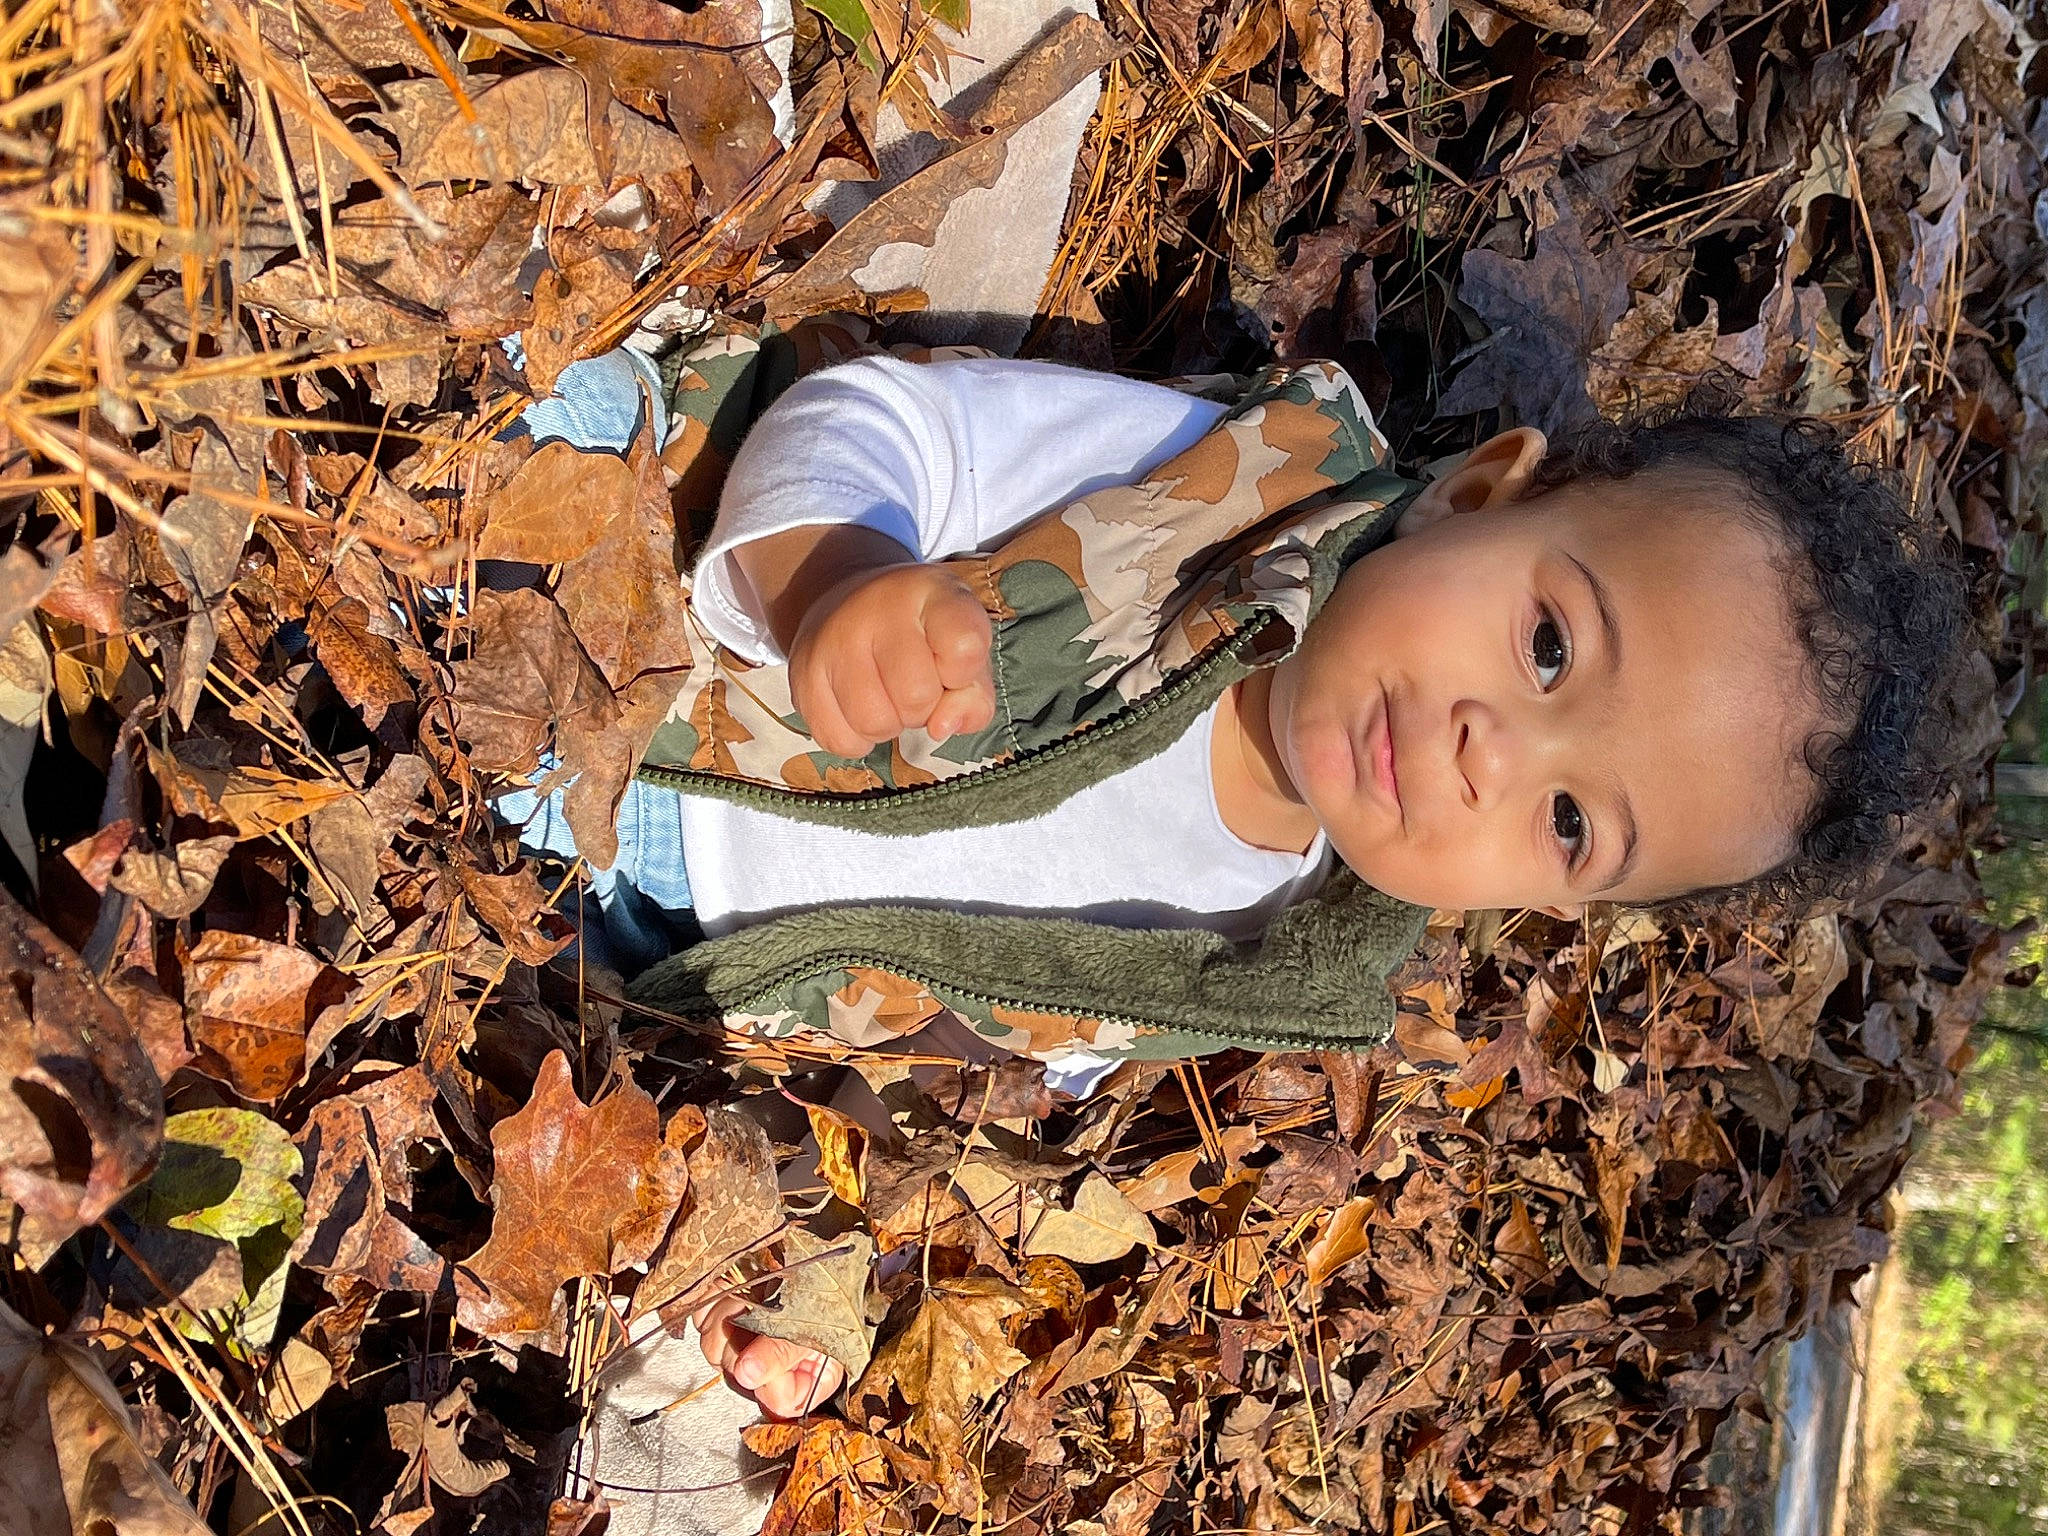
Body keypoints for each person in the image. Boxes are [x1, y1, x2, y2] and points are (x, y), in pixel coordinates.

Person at [498, 345, 1968, 1422]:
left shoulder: (1258, 960)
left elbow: (948, 1043)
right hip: (627, 624)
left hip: (632, 940)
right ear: (1478, 494)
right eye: (1548, 648)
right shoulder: (1199, 500)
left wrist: (784, 1252)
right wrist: (837, 575)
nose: (1490, 755)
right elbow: (874, 421)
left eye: (1572, 820)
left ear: (1558, 902)